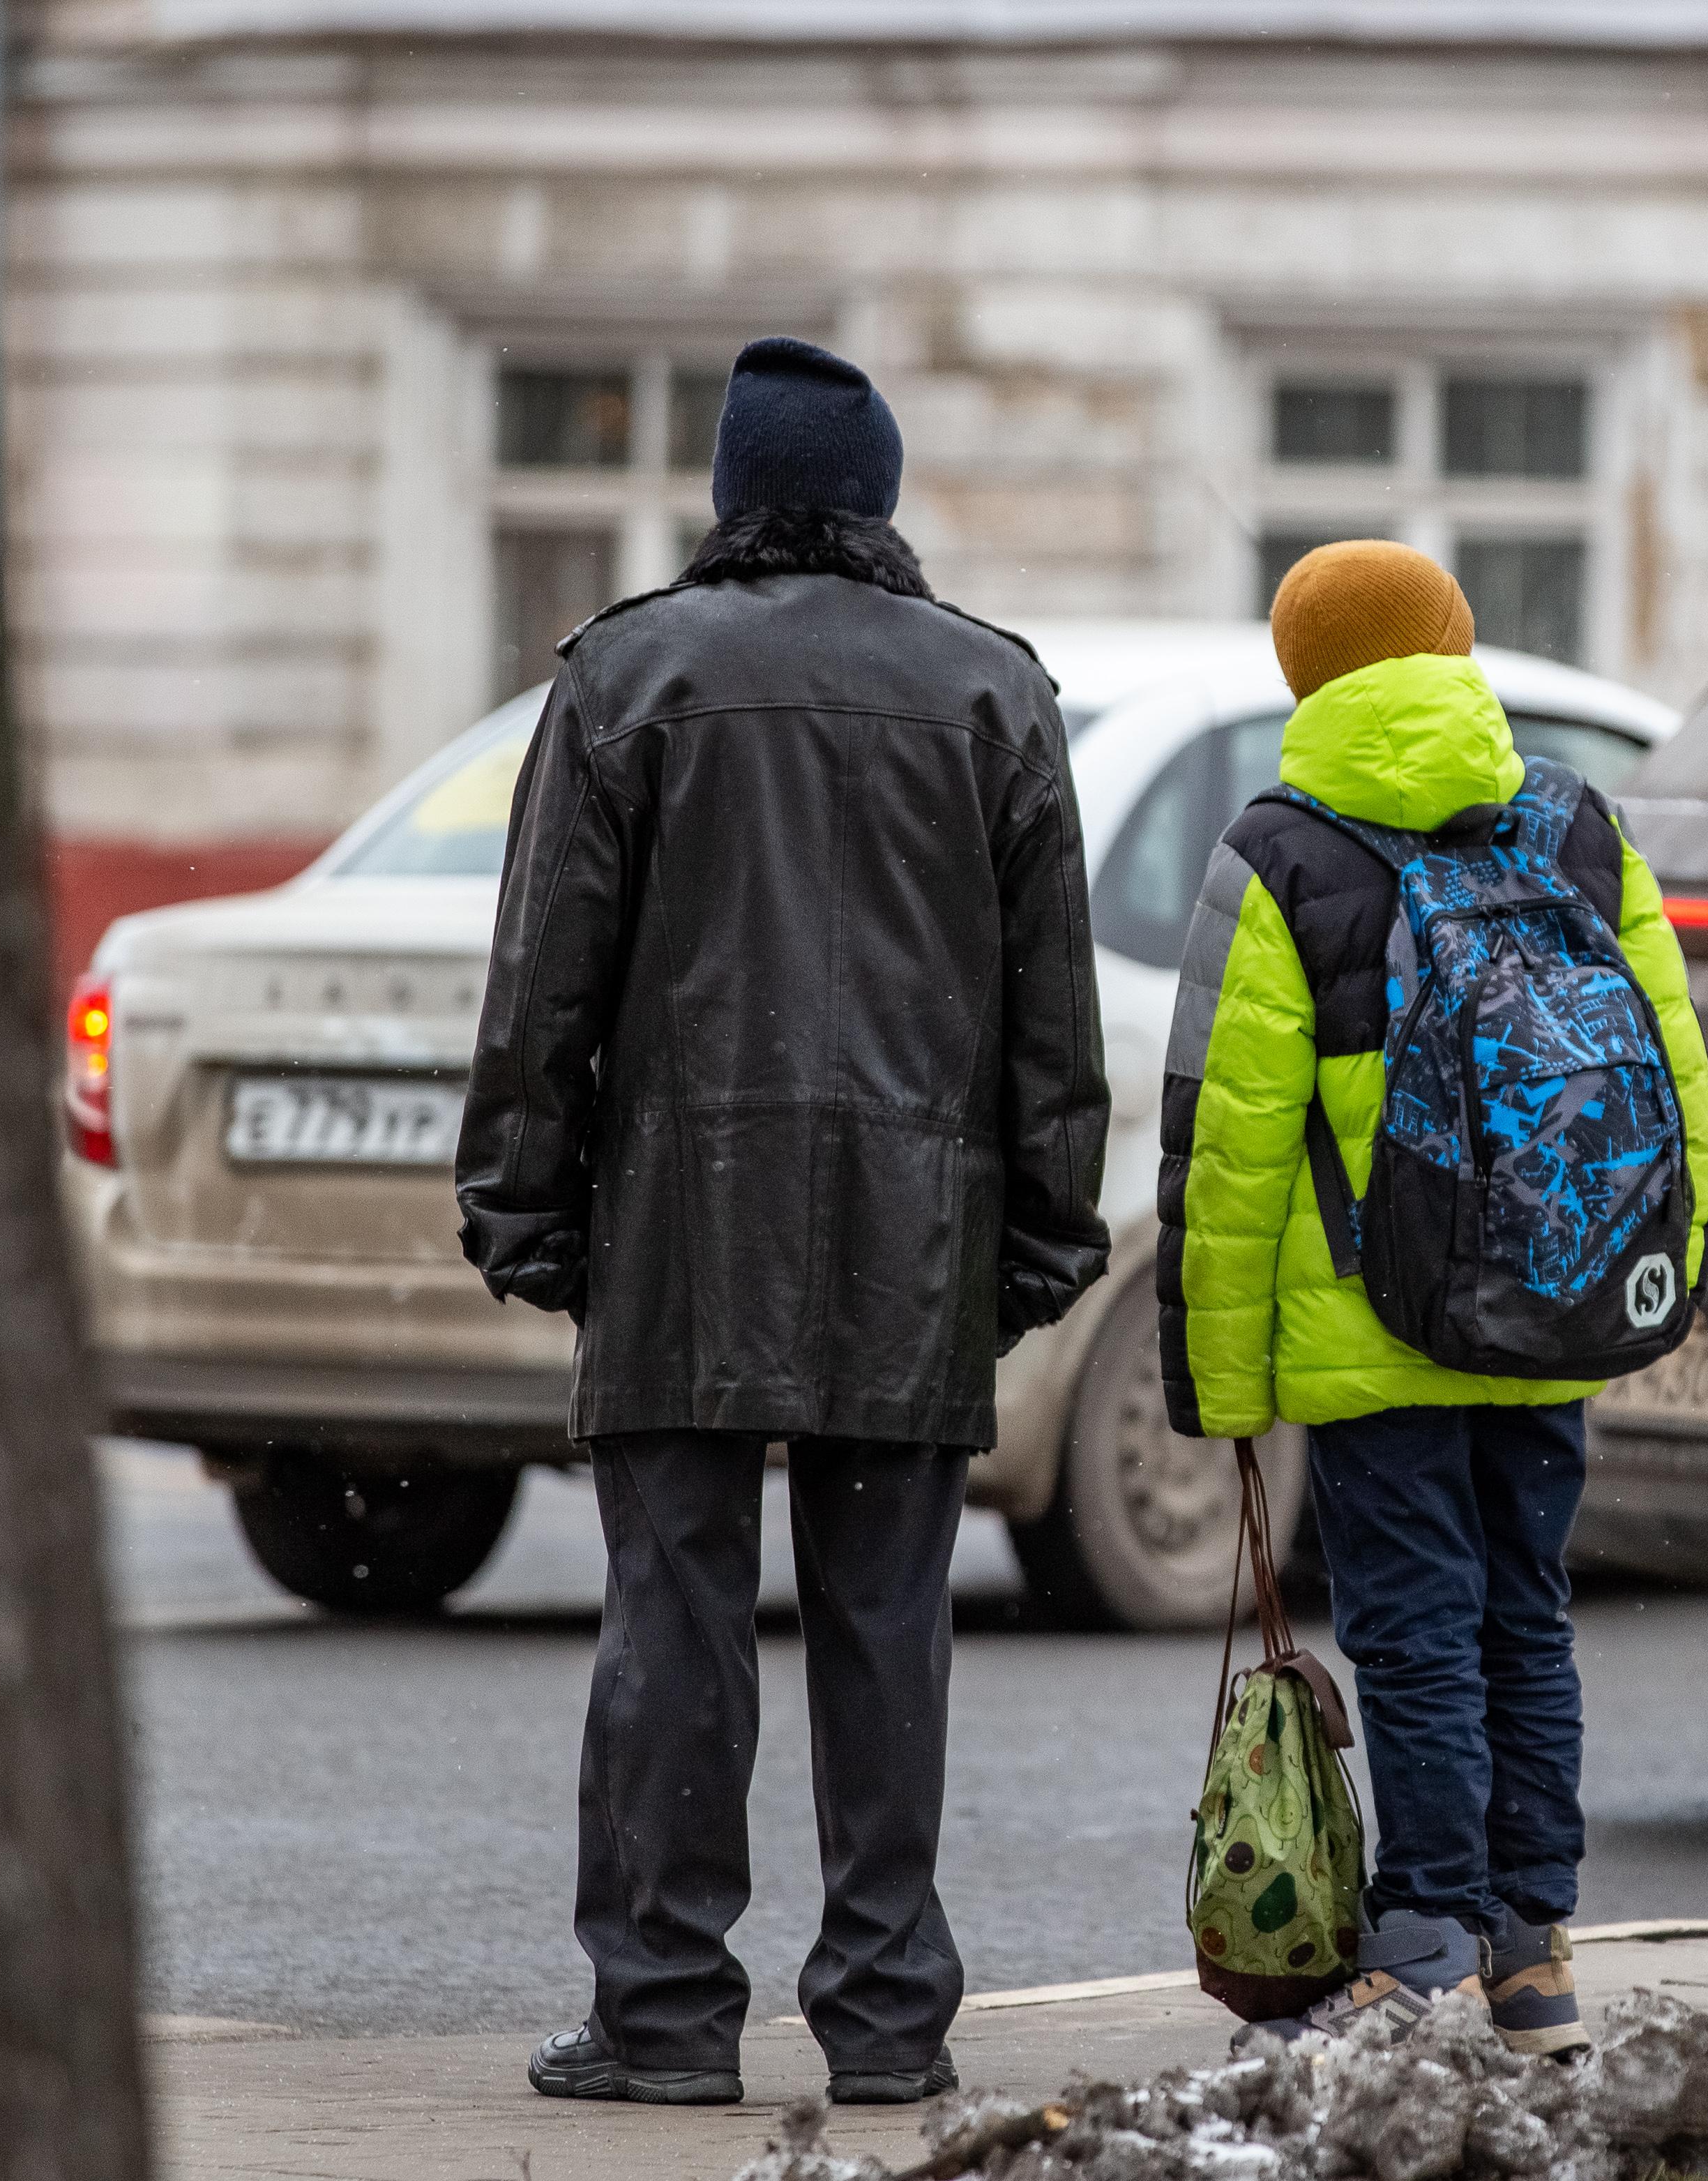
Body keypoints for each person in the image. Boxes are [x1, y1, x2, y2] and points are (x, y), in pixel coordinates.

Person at [456, 335, 1112, 2109]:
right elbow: (1052, 1020)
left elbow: (544, 982)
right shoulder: (991, 691)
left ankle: (664, 2013)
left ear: (731, 496)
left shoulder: (627, 674)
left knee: (673, 1627)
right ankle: (888, 2018)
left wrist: (524, 1208)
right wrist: (1040, 1241)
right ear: (877, 500)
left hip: (679, 1221)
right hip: (914, 1232)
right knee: (886, 1629)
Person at [1156, 541, 1708, 2057]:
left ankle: (1419, 1944)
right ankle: (1530, 1950)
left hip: (1375, 1330)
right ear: (1456, 645)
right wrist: (1659, 1269)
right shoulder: (1573, 821)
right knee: (1526, 1619)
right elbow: (1673, 1066)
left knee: (1411, 1634)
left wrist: (1219, 1383)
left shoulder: (1277, 852)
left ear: (1302, 671)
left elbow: (1227, 1144)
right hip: (1549, 1302)